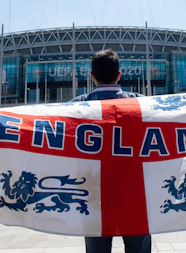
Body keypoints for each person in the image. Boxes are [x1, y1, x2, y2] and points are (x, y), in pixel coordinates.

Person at [71, 49, 151, 253]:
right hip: (135, 196)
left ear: (92, 76)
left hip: (93, 195)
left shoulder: (76, 108)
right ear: (119, 75)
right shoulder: (143, 105)